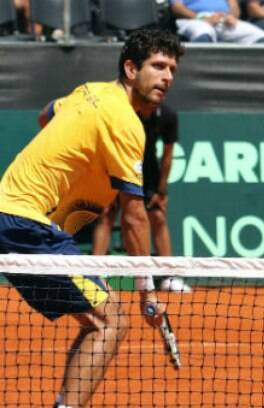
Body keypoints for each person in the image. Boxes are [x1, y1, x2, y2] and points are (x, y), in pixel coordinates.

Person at [0, 29, 184, 408]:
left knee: (96, 320)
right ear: (131, 68)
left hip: (14, 216)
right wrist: (148, 292)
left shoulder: (89, 91)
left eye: (172, 70)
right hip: (28, 225)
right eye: (158, 66)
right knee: (112, 320)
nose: (167, 77)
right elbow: (134, 217)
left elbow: (45, 115)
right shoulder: (125, 123)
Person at [92, 103, 190, 293]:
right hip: (116, 168)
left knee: (159, 218)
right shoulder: (123, 111)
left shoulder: (168, 115)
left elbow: (168, 155)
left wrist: (161, 191)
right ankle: (95, 276)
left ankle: (168, 278)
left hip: (148, 174)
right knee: (106, 217)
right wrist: (105, 182)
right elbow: (103, 146)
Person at [171, 0, 264, 44]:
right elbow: (177, 7)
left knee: (260, 36)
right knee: (204, 32)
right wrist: (201, 18)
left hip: (223, 19)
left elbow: (233, 5)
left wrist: (232, 16)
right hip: (194, 19)